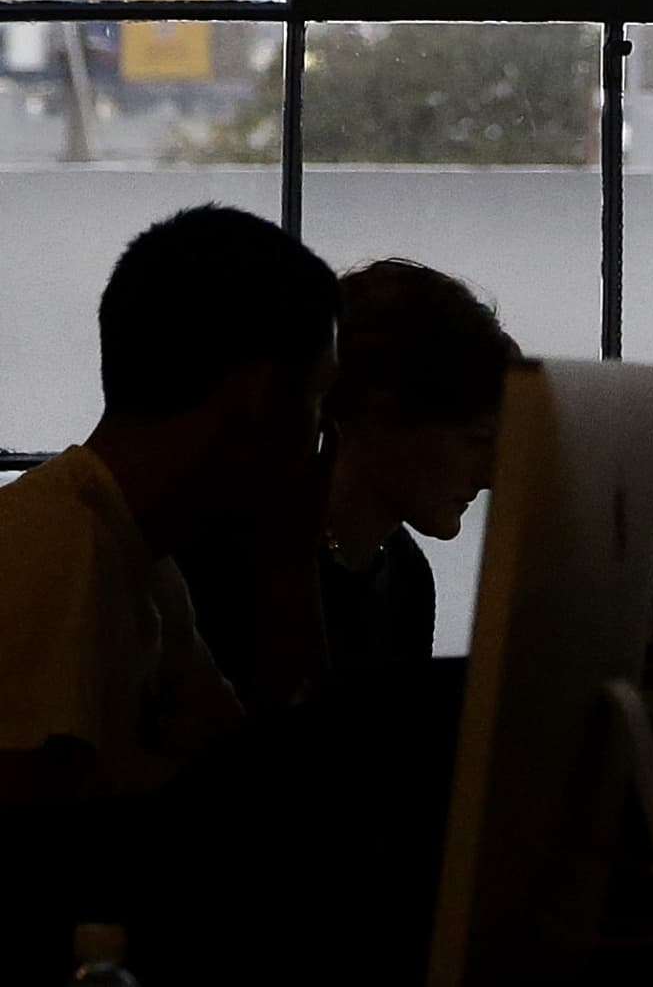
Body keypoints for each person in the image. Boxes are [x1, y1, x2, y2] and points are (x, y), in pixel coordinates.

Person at [0, 206, 339, 807]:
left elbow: (265, 775)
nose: (323, 439)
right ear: (262, 399)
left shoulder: (138, 559)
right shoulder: (59, 552)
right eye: (319, 400)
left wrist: (289, 562)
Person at [179, 258, 515, 710]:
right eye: (477, 440)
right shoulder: (221, 561)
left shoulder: (406, 575)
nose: (493, 473)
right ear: (377, 413)